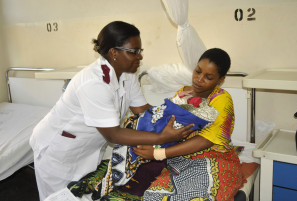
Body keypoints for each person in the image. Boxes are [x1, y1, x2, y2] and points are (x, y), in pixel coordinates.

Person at [29, 21, 194, 201]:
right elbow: (114, 135)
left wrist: (179, 108)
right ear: (114, 53)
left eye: (140, 51)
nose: (140, 57)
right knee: (59, 198)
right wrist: (162, 138)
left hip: (86, 151)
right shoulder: (93, 83)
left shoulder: (127, 73)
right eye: (134, 52)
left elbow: (142, 110)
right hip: (59, 152)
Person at [68, 48, 245, 201]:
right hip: (179, 158)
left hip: (212, 160)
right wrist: (150, 137)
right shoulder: (184, 93)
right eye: (197, 71)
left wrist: (159, 153)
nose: (199, 79)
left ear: (220, 80)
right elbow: (166, 123)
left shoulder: (222, 100)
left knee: (192, 195)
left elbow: (204, 141)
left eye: (208, 77)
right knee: (153, 193)